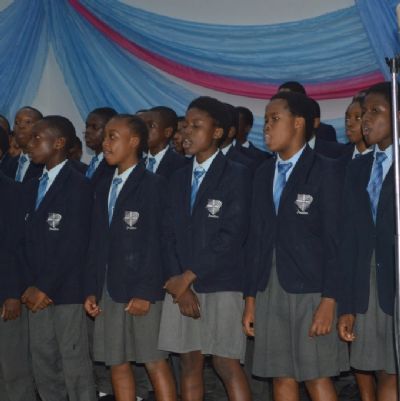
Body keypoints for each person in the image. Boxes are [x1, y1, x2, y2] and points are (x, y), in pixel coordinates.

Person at [243, 91, 348, 401]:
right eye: (265, 120)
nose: (267, 126)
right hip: (269, 287)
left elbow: (336, 241)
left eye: (275, 119)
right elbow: (256, 240)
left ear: (299, 123)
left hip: (311, 289)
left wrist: (329, 299)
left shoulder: (326, 170)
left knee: (316, 376)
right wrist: (251, 298)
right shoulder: (262, 173)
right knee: (281, 376)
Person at [159, 96, 252, 401]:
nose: (186, 131)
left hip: (221, 282)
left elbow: (232, 235)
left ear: (218, 132)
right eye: (185, 125)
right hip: (181, 287)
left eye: (196, 126)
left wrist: (190, 275)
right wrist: (179, 284)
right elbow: (167, 234)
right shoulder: (176, 177)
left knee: (226, 363)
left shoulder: (237, 173)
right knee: (189, 362)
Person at [84, 114, 176, 401]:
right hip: (109, 288)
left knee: (154, 361)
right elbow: (96, 244)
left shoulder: (153, 184)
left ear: (134, 141)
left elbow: (158, 243)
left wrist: (146, 292)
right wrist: (92, 289)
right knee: (117, 361)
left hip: (142, 289)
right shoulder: (102, 185)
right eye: (105, 137)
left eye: (113, 137)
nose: (105, 143)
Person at [20, 115, 96, 401]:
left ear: (59, 143)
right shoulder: (31, 185)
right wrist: (29, 285)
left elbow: (73, 244)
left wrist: (44, 286)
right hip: (35, 291)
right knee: (43, 360)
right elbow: (22, 241)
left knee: (73, 361)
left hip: (65, 290)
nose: (30, 143)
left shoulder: (79, 185)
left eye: (37, 138)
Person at [338, 82, 398, 401]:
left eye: (376, 111)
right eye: (364, 113)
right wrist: (348, 305)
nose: (366, 119)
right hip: (370, 286)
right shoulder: (358, 168)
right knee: (383, 370)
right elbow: (348, 240)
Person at [0, 171, 36, 401]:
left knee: (13, 366)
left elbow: (14, 246)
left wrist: (13, 293)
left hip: (5, 293)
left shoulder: (11, 190)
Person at [140, 106, 187, 178]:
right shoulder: (137, 165)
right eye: (143, 125)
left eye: (151, 126)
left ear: (167, 132)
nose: (144, 130)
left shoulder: (182, 165)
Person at [5, 107, 43, 182]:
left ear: (41, 129)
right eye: (16, 122)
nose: (21, 126)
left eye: (28, 122)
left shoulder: (46, 165)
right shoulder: (7, 163)